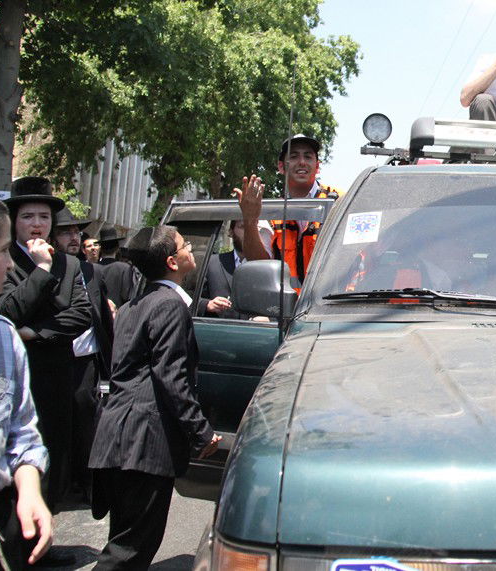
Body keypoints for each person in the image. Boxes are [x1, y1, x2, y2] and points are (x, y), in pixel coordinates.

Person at [89, 226, 221, 570]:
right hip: (142, 443)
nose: (190, 247)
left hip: (118, 439)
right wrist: (200, 430)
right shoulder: (168, 305)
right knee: (129, 551)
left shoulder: (134, 305)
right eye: (184, 244)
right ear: (172, 262)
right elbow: (171, 376)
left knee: (124, 540)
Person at [0, 178, 91, 526]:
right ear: (14, 221)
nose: (37, 224)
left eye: (44, 217)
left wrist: (34, 331)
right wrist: (41, 270)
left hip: (56, 377)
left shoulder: (70, 264)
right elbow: (7, 310)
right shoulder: (4, 260)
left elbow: (81, 314)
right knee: (15, 458)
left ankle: (42, 530)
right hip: (14, 378)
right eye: (28, 217)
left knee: (53, 457)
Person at [0, 195, 53, 569]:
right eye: (2, 250)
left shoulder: (2, 337)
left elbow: (21, 432)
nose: (10, 262)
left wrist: (29, 491)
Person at [51, 208, 110, 504]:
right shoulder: (46, 269)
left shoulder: (92, 272)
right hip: (55, 356)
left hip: (87, 359)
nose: (73, 238)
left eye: (76, 232)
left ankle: (86, 481)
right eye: (65, 232)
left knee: (87, 419)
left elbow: (102, 316)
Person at [235, 134, 342, 282]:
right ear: (281, 166)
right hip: (284, 297)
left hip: (331, 296)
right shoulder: (271, 212)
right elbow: (258, 263)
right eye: (294, 156)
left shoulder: (341, 201)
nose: (302, 162)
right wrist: (250, 220)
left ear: (317, 166)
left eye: (308, 156)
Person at [201, 220, 245, 319]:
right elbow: (188, 298)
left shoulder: (269, 267)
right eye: (243, 226)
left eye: (255, 227)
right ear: (230, 232)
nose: (249, 232)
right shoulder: (211, 263)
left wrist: (268, 319)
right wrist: (207, 304)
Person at [96, 226, 141, 308]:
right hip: (118, 312)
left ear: (101, 249)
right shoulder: (125, 268)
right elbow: (129, 296)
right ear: (117, 248)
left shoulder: (92, 268)